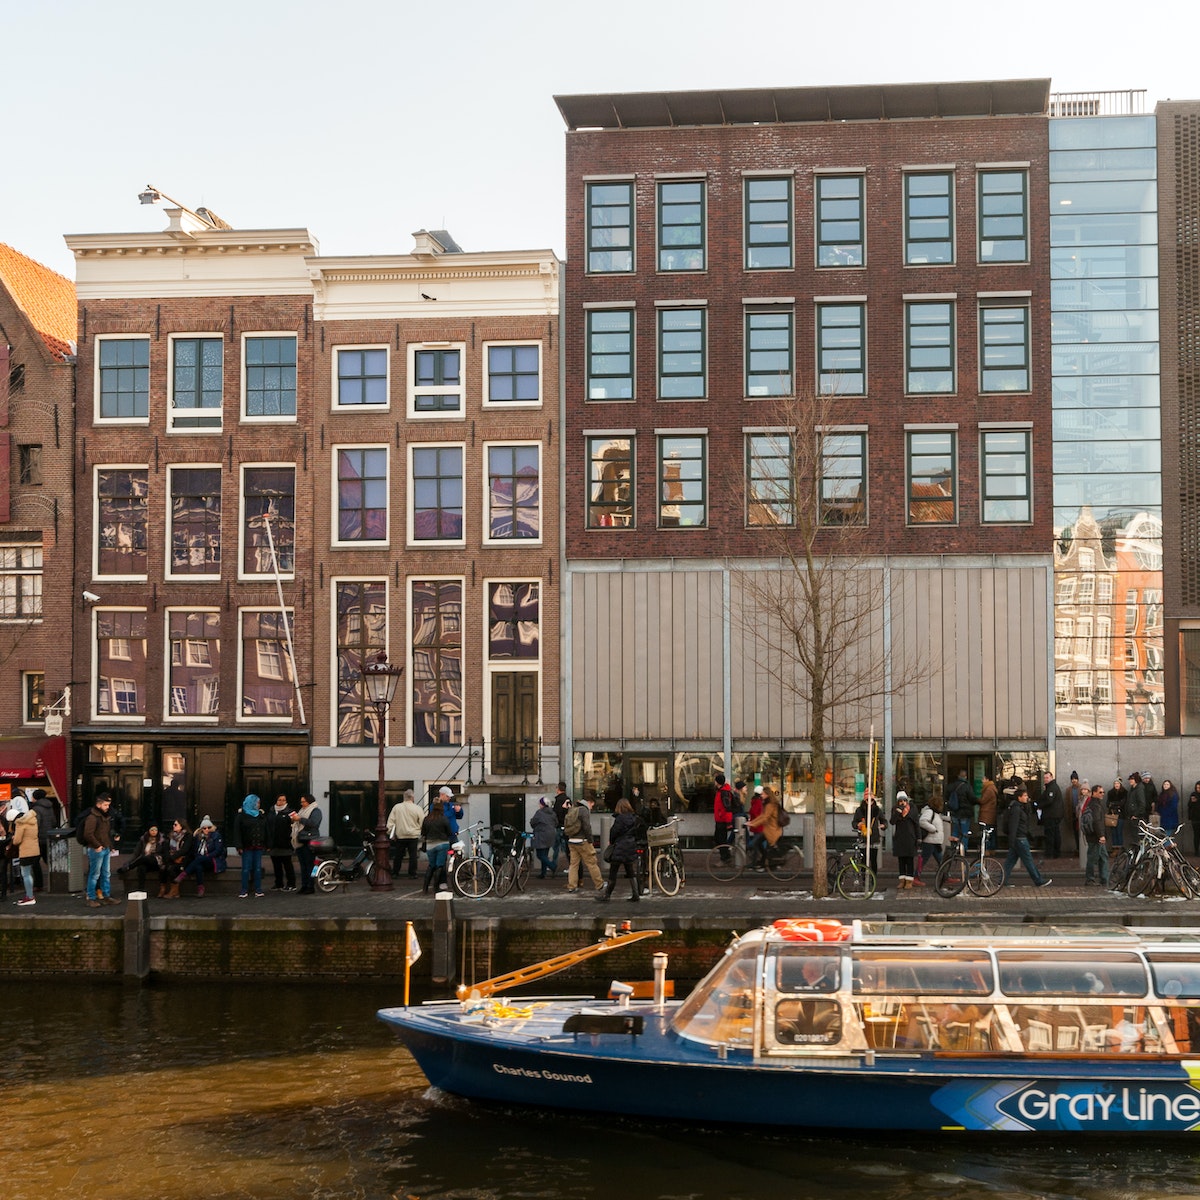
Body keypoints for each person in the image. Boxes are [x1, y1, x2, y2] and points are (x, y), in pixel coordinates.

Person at [1001, 786, 1052, 889]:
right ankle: (1038, 881)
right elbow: (1014, 825)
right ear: (1019, 797)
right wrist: (1012, 839)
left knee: (1010, 862)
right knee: (1028, 861)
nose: (1027, 797)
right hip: (1020, 839)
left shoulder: (1019, 807)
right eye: (1024, 795)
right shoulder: (1016, 809)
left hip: (1019, 838)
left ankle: (1002, 880)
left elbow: (1020, 824)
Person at [82, 792, 119, 908]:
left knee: (105, 873)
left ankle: (106, 895)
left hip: (104, 848)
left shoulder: (103, 817)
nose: (107, 807)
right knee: (95, 874)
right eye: (105, 805)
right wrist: (97, 845)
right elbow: (88, 834)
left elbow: (106, 834)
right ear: (99, 805)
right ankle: (91, 897)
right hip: (97, 849)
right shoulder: (92, 818)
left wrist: (110, 846)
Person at [597, 798, 639, 902]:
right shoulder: (634, 818)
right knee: (630, 870)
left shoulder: (620, 819)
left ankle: (607, 895)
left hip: (620, 846)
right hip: (630, 846)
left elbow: (614, 832)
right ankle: (635, 894)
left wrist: (611, 841)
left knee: (613, 871)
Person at [564, 795, 604, 893]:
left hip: (571, 840)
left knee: (573, 865)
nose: (591, 808)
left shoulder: (573, 809)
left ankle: (572, 886)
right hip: (583, 841)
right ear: (589, 802)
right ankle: (599, 885)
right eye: (592, 805)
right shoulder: (584, 810)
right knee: (592, 863)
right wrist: (590, 840)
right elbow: (587, 827)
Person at [179, 816, 225, 897]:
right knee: (198, 866)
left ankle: (184, 873)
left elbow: (218, 851)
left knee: (200, 859)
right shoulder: (198, 837)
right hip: (200, 860)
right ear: (201, 829)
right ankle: (200, 888)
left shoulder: (216, 836)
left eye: (209, 827)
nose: (207, 829)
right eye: (204, 828)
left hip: (213, 860)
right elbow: (195, 850)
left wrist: (207, 856)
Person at [8, 797, 40, 906]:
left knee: (25, 874)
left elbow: (17, 840)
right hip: (35, 850)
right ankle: (29, 895)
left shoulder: (20, 824)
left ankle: (30, 897)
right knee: (29, 873)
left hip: (26, 851)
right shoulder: (32, 821)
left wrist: (13, 838)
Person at [386, 789, 423, 880]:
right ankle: (412, 873)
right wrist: (422, 832)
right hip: (413, 835)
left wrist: (391, 833)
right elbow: (422, 822)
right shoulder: (417, 808)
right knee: (413, 855)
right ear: (412, 797)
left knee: (398, 855)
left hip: (400, 835)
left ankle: (395, 872)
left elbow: (390, 822)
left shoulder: (397, 807)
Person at [235, 794, 268, 898]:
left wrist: (267, 843)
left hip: (258, 845)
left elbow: (266, 830)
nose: (258, 805)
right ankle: (244, 889)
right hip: (246, 846)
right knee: (246, 868)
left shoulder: (261, 815)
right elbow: (237, 832)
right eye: (257, 802)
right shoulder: (241, 816)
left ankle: (258, 889)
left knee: (257, 868)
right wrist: (239, 845)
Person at [118, 824, 166, 891]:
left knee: (145, 858)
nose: (154, 831)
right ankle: (141, 888)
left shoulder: (162, 841)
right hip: (146, 861)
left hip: (157, 861)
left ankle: (129, 867)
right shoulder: (143, 840)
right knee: (141, 867)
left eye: (155, 830)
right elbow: (136, 854)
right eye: (152, 830)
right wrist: (127, 862)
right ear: (148, 831)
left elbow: (164, 853)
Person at [420, 799, 453, 894]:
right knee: (440, 865)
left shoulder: (427, 819)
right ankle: (436, 887)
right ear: (441, 809)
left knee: (431, 865)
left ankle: (425, 888)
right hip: (442, 844)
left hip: (430, 844)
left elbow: (423, 833)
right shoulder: (444, 819)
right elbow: (449, 832)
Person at [291, 794, 322, 894]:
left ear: (309, 801)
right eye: (301, 802)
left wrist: (299, 819)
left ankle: (310, 886)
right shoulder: (302, 811)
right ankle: (304, 885)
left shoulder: (316, 811)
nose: (302, 804)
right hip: (300, 840)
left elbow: (313, 823)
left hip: (310, 840)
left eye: (303, 802)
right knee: (303, 865)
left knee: (310, 865)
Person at [747, 786, 784, 870]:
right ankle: (762, 862)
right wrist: (752, 822)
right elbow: (762, 816)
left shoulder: (770, 805)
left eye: (763, 794)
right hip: (768, 830)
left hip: (772, 831)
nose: (761, 795)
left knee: (756, 843)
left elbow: (765, 817)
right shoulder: (767, 803)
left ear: (767, 795)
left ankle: (761, 863)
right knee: (758, 844)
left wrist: (753, 824)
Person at [1081, 783, 1110, 886]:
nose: (1102, 794)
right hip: (1095, 837)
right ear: (1094, 793)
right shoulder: (1095, 805)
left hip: (1094, 836)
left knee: (1103, 857)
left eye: (1103, 792)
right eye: (1100, 792)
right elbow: (1097, 822)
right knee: (1093, 858)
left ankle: (1104, 879)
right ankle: (1090, 879)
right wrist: (1101, 835)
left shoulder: (1095, 804)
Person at [890, 792, 921, 889]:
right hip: (900, 838)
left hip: (910, 838)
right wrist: (898, 812)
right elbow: (892, 822)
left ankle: (909, 881)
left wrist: (919, 837)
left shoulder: (912, 809)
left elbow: (916, 824)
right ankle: (902, 880)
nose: (902, 803)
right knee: (901, 860)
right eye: (900, 801)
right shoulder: (895, 810)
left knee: (909, 860)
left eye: (904, 800)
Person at [266, 795, 297, 890]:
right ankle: (279, 883)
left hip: (285, 843)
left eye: (284, 800)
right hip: (274, 843)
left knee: (287, 865)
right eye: (280, 800)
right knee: (276, 865)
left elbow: (295, 823)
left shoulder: (290, 812)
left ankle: (291, 884)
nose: (282, 802)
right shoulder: (271, 812)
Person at [851, 790, 884, 874]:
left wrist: (883, 825)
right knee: (863, 861)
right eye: (868, 800)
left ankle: (874, 880)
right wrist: (858, 824)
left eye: (872, 800)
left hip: (874, 838)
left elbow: (884, 820)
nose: (870, 802)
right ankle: (863, 880)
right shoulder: (859, 810)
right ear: (864, 800)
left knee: (873, 860)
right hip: (864, 838)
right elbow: (854, 822)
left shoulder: (877, 810)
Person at [159, 819, 193, 898]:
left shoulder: (188, 836)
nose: (173, 826)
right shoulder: (171, 836)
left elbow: (185, 850)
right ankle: (163, 888)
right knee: (163, 868)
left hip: (182, 859)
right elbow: (166, 848)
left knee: (172, 868)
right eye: (174, 824)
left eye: (175, 825)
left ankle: (174, 890)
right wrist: (169, 857)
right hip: (171, 858)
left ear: (182, 826)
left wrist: (173, 857)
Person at [917, 794, 945, 882]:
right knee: (924, 859)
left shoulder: (936, 813)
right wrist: (933, 829)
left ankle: (946, 876)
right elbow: (922, 821)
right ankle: (916, 876)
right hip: (929, 841)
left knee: (941, 860)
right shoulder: (929, 812)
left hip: (935, 841)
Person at [947, 769, 975, 851]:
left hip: (955, 812)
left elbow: (946, 796)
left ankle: (954, 848)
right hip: (965, 813)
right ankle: (963, 849)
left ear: (958, 776)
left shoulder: (951, 786)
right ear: (965, 777)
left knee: (955, 831)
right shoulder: (967, 786)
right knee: (964, 832)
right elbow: (972, 798)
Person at [530, 798, 559, 878]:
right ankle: (543, 873)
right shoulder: (552, 813)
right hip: (551, 835)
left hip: (541, 835)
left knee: (540, 855)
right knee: (545, 854)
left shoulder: (539, 813)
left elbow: (533, 822)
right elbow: (556, 823)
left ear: (542, 804)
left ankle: (552, 866)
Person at [1039, 771, 1064, 859]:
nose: (1045, 779)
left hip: (1051, 815)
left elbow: (1049, 800)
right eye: (1044, 778)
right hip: (1054, 815)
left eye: (1047, 778)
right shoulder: (1051, 787)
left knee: (1051, 835)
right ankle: (1055, 853)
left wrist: (1039, 805)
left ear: (1051, 778)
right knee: (1055, 834)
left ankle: (1050, 853)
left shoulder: (1052, 787)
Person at [712, 771, 735, 861]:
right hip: (719, 819)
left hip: (722, 820)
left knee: (721, 840)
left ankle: (725, 858)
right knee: (718, 839)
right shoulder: (720, 791)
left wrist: (728, 822)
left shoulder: (723, 793)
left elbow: (728, 808)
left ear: (717, 782)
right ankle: (725, 855)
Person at [1123, 772, 1147, 848]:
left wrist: (1136, 815)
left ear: (1136, 780)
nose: (1130, 781)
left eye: (1132, 779)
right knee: (1134, 836)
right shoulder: (1132, 789)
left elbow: (1142, 804)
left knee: (1137, 837)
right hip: (1131, 816)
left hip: (1136, 817)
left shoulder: (1139, 789)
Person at [1107, 777, 1128, 850]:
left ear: (1120, 784)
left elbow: (1122, 803)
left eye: (1118, 783)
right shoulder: (1110, 792)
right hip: (1112, 814)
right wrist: (1116, 804)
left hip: (1121, 815)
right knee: (1113, 832)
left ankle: (1120, 849)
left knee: (1119, 832)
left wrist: (1113, 804)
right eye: (1115, 783)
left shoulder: (1124, 792)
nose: (1116, 785)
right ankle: (1114, 848)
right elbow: (1108, 803)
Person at [978, 773, 998, 849]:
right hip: (990, 814)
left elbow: (983, 800)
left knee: (986, 833)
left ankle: (987, 849)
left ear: (987, 779)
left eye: (983, 779)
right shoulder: (991, 788)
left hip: (986, 814)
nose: (982, 781)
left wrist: (975, 800)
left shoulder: (988, 789)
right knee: (990, 832)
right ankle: (991, 849)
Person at [1189, 781, 1200, 857]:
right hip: (1195, 818)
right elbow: (1189, 805)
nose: (1198, 789)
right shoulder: (1194, 794)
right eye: (1197, 788)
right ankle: (1196, 851)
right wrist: (1193, 802)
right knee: (1196, 835)